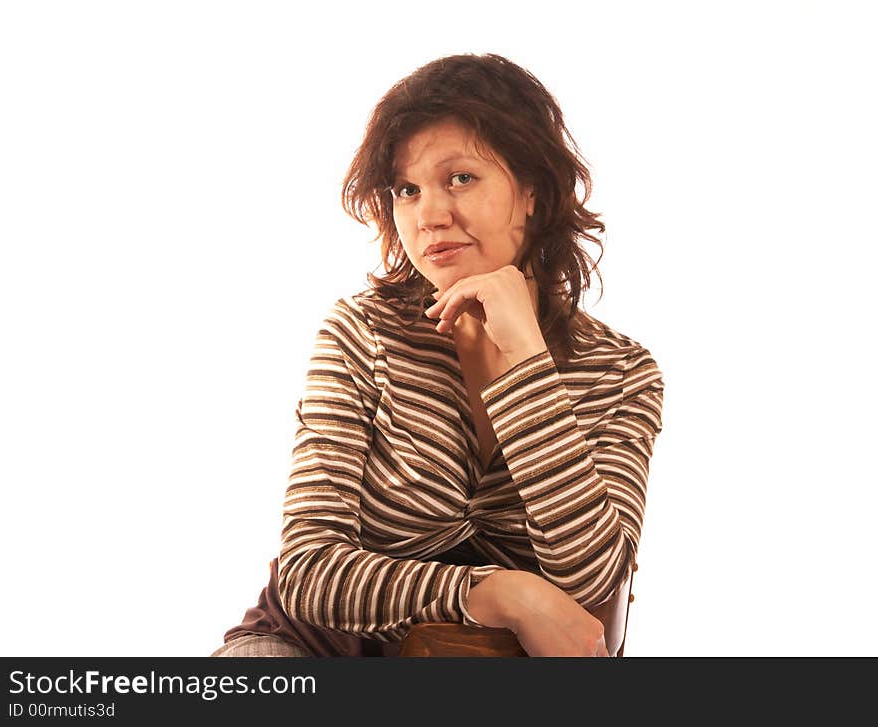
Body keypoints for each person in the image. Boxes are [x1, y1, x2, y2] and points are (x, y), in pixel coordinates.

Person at [210, 52, 664, 658]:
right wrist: (496, 592)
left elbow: (591, 581)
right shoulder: (362, 333)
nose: (428, 216)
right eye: (407, 189)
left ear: (532, 190)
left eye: (460, 178)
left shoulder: (622, 372)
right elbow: (307, 572)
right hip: (317, 652)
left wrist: (527, 360)